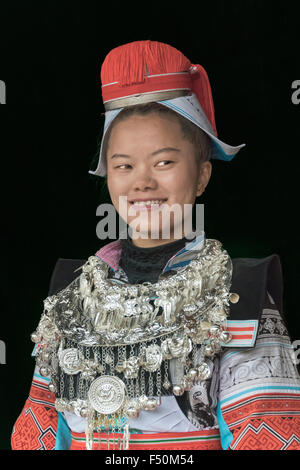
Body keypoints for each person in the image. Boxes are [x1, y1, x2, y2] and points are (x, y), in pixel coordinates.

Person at [11, 40, 300, 451]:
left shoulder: (240, 297)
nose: (142, 181)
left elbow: (271, 440)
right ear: (108, 177)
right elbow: (37, 438)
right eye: (124, 165)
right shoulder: (68, 298)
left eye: (164, 162)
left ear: (201, 176)